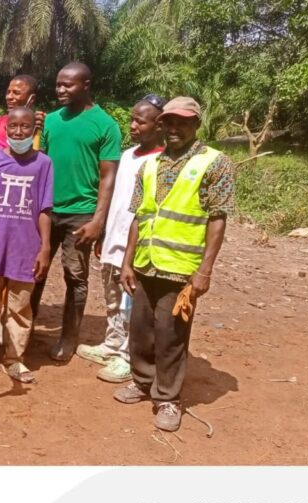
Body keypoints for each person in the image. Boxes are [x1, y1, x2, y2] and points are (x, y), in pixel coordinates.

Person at [116, 97, 235, 432]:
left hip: (181, 267)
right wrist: (127, 262)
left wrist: (205, 270)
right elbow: (140, 216)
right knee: (140, 330)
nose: (174, 129)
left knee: (171, 335)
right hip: (145, 263)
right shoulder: (149, 165)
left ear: (196, 124)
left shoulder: (214, 163)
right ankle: (142, 381)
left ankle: (168, 397)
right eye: (169, 122)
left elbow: (217, 218)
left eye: (182, 122)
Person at [33, 62, 121, 361]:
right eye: (58, 84)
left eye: (68, 85)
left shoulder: (105, 125)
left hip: (81, 214)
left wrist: (98, 221)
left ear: (86, 85)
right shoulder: (50, 121)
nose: (60, 90)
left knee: (76, 277)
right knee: (35, 271)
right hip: (46, 209)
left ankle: (69, 338)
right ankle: (25, 327)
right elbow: (39, 163)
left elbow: (108, 176)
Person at [75, 95, 166, 383]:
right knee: (113, 296)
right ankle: (113, 343)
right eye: (132, 119)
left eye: (141, 121)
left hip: (138, 244)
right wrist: (102, 232)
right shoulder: (127, 156)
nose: (133, 125)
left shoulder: (163, 162)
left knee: (132, 303)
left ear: (159, 125)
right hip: (114, 236)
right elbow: (114, 198)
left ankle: (129, 355)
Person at [0, 107, 53, 385]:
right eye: (13, 127)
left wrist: (45, 247)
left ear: (33, 130)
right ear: (5, 130)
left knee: (20, 305)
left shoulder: (43, 164)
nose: (18, 132)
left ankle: (15, 358)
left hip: (26, 246)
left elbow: (44, 209)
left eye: (25, 127)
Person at [0, 74, 44, 167]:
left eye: (16, 93)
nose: (9, 97)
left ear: (31, 99)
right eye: (8, 92)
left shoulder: (41, 126)